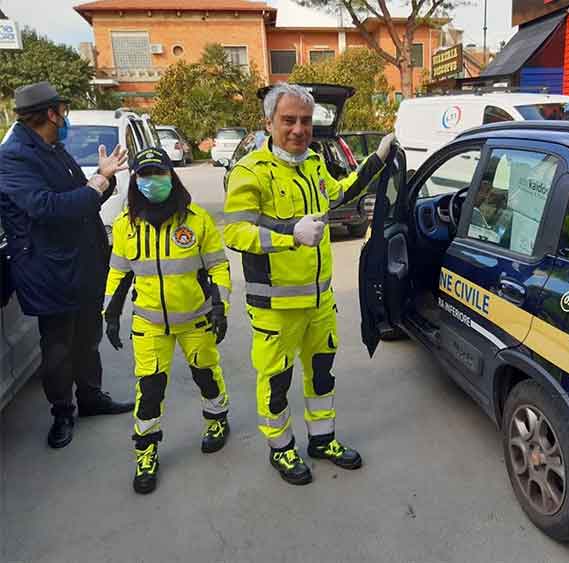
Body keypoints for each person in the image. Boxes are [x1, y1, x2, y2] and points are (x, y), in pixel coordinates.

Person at [224, 83, 395, 485]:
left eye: (304, 120)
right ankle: (281, 449)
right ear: (269, 122)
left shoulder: (315, 162)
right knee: (276, 381)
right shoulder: (251, 171)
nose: (299, 129)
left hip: (319, 300)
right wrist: (289, 233)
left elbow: (336, 194)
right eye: (288, 120)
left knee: (321, 375)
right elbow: (235, 232)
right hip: (275, 308)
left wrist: (377, 160)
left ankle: (322, 440)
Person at [0, 81, 133, 449]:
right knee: (58, 347)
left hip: (82, 264)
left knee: (87, 338)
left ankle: (91, 398)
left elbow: (83, 198)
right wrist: (100, 181)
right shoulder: (14, 157)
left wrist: (101, 181)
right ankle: (62, 412)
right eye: (63, 111)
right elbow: (48, 208)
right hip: (48, 271)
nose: (66, 118)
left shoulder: (52, 149)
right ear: (49, 114)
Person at [104, 148, 232, 494]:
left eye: (158, 173)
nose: (152, 181)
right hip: (149, 324)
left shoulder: (196, 220)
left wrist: (222, 307)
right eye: (144, 175)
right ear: (135, 181)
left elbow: (218, 265)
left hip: (196, 319)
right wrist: (110, 313)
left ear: (171, 176)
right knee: (149, 389)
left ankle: (217, 420)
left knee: (206, 374)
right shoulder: (126, 225)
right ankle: (146, 451)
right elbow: (118, 273)